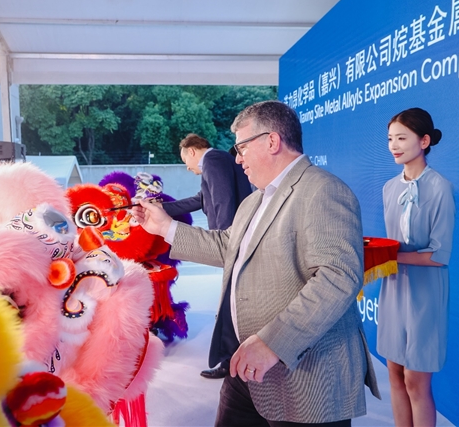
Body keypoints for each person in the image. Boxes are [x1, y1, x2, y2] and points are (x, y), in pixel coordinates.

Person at [134, 100, 379, 426]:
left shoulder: (323, 190)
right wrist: (165, 227)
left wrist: (272, 342)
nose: (237, 158)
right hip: (246, 367)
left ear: (272, 141)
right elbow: (228, 247)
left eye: (241, 147)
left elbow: (337, 278)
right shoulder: (254, 200)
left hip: (303, 377)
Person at [378, 108, 455, 427]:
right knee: (394, 373)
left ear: (424, 141)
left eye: (401, 138)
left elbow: (439, 255)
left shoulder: (440, 187)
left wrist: (389, 257)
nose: (394, 146)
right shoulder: (389, 188)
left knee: (416, 381)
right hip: (394, 288)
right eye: (390, 139)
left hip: (426, 293)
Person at [161, 133, 253, 379]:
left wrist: (222, 242)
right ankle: (234, 359)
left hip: (232, 243)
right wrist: (160, 208)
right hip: (234, 241)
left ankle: (229, 362)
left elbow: (224, 202)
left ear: (192, 151)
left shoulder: (212, 160)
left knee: (230, 306)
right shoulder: (218, 161)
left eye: (185, 161)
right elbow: (199, 200)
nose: (187, 167)